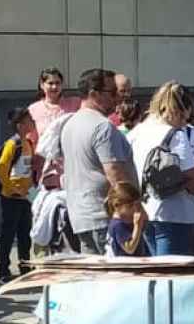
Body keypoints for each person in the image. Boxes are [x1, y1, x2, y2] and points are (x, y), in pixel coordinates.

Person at [57, 68, 136, 254]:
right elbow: (115, 173)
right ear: (94, 94)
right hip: (107, 216)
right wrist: (136, 208)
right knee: (118, 278)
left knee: (94, 279)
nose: (118, 97)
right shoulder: (102, 127)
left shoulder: (70, 124)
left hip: (81, 216)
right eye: (112, 92)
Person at [127, 82, 194, 256]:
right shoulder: (176, 135)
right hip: (176, 214)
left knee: (155, 274)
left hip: (146, 211)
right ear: (184, 109)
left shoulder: (137, 132)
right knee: (174, 277)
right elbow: (191, 178)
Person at [0, 107, 39, 282]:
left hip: (25, 196)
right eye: (28, 121)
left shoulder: (28, 143)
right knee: (8, 233)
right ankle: (3, 268)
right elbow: (1, 169)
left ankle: (24, 265)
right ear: (19, 125)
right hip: (11, 197)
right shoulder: (13, 144)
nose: (32, 123)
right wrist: (11, 187)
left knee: (24, 234)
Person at [28, 68, 80, 192]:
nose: (54, 87)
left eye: (58, 83)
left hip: (71, 164)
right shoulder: (34, 109)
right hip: (45, 166)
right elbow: (30, 139)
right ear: (42, 85)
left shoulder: (75, 104)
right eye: (50, 83)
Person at [105, 183, 149, 257]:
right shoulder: (118, 225)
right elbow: (129, 249)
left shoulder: (126, 221)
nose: (135, 208)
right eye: (130, 205)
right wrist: (137, 225)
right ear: (117, 205)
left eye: (137, 204)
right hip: (125, 265)